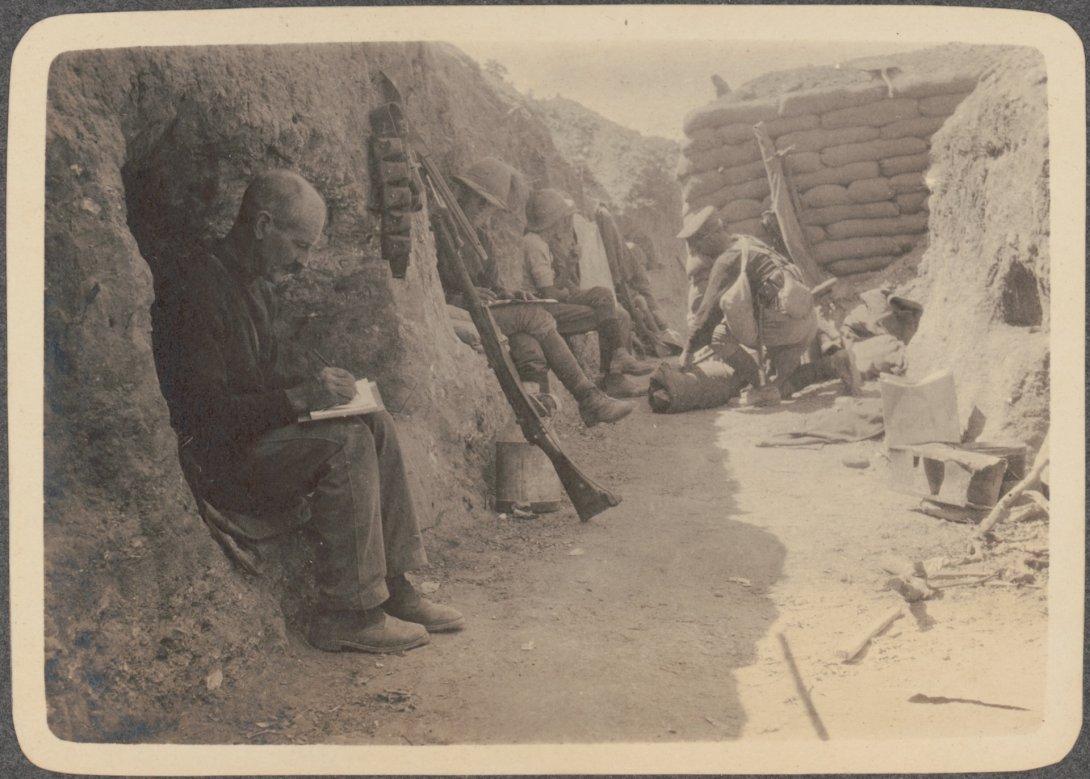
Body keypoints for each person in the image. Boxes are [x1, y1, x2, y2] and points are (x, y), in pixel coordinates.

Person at [151, 169, 462, 655]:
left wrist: (321, 390)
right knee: (346, 441)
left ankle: (395, 587)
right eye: (299, 245)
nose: (304, 261)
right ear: (263, 225)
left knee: (374, 422)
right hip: (218, 467)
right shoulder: (196, 289)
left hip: (251, 444)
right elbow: (204, 413)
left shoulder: (255, 285)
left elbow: (258, 380)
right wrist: (299, 400)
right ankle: (348, 614)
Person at [433, 158, 634, 426]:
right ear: (464, 194)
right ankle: (589, 399)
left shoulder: (481, 238)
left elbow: (493, 287)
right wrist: (461, 298)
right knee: (536, 318)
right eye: (479, 202)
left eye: (489, 207)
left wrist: (512, 295)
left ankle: (539, 415)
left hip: (482, 311)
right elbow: (428, 291)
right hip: (455, 312)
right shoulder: (439, 228)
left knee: (528, 342)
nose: (483, 212)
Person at [521, 188, 651, 398]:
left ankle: (616, 364)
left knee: (605, 298)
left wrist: (570, 265)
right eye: (562, 219)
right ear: (552, 220)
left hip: (551, 300)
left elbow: (555, 285)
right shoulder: (534, 244)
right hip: (542, 308)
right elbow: (550, 292)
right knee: (610, 310)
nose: (565, 223)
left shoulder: (542, 242)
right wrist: (566, 292)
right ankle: (614, 372)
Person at [679, 210, 818, 396]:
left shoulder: (726, 260)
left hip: (784, 328)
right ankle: (832, 365)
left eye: (698, 247)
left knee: (718, 336)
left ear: (709, 239)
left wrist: (688, 351)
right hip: (806, 323)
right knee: (782, 385)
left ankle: (761, 386)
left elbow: (707, 314)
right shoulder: (748, 242)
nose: (698, 254)